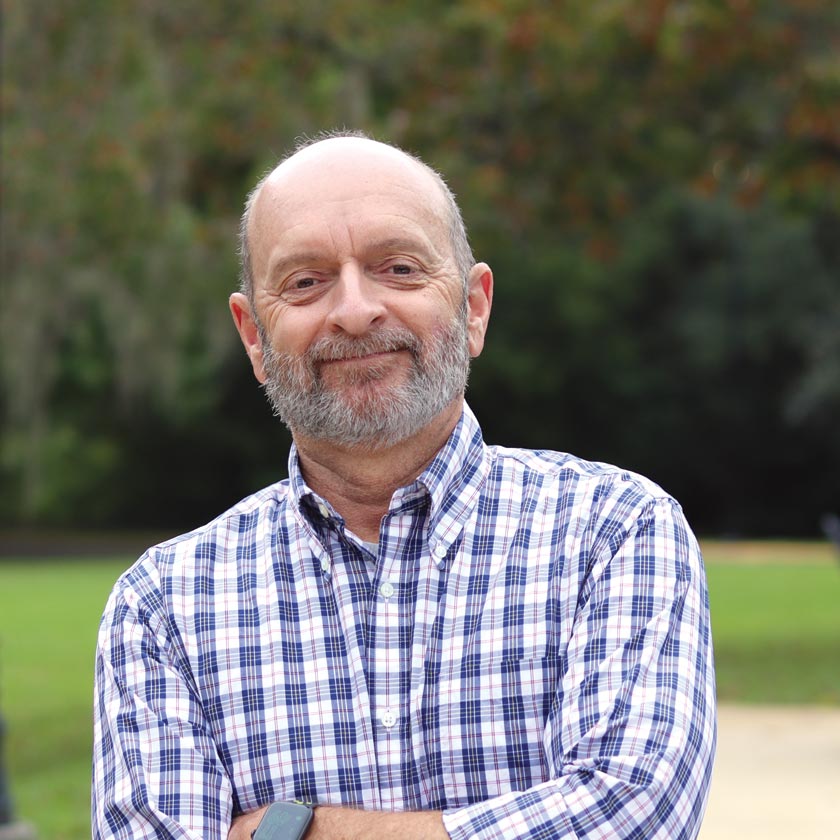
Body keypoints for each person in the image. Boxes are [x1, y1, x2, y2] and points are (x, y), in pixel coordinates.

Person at [92, 131, 716, 840]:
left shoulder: (614, 533)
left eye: (398, 268)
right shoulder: (164, 607)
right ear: (255, 338)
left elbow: (634, 819)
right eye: (305, 281)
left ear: (473, 308)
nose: (355, 311)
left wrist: (298, 832)